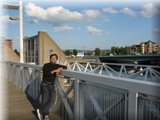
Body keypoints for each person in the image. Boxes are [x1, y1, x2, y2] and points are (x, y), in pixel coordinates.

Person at [37, 54, 67, 120]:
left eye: (55, 58)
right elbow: (46, 73)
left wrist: (60, 68)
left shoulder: (57, 65)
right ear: (50, 59)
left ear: (56, 59)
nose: (54, 59)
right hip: (45, 84)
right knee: (45, 100)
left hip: (52, 85)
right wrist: (55, 71)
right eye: (52, 58)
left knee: (53, 100)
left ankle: (41, 111)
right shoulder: (46, 65)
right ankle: (46, 115)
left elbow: (65, 67)